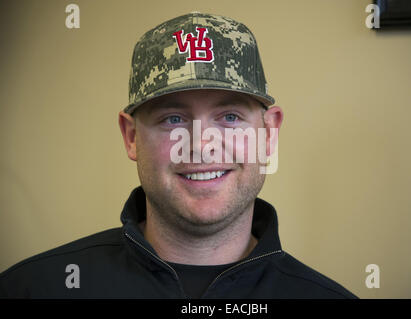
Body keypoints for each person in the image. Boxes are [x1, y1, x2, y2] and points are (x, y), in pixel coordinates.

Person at [0, 12, 357, 299]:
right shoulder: (32, 289)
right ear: (131, 137)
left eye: (229, 116)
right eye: (173, 119)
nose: (202, 145)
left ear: (269, 133)